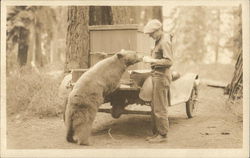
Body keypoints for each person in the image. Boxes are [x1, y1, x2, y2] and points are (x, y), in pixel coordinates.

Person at [142, 19, 173, 143]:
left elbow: (169, 61)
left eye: (151, 33)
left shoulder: (164, 41)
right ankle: (157, 133)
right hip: (157, 75)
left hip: (161, 77)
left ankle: (163, 135)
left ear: (158, 30)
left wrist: (152, 61)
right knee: (155, 106)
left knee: (160, 107)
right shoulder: (159, 40)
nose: (150, 36)